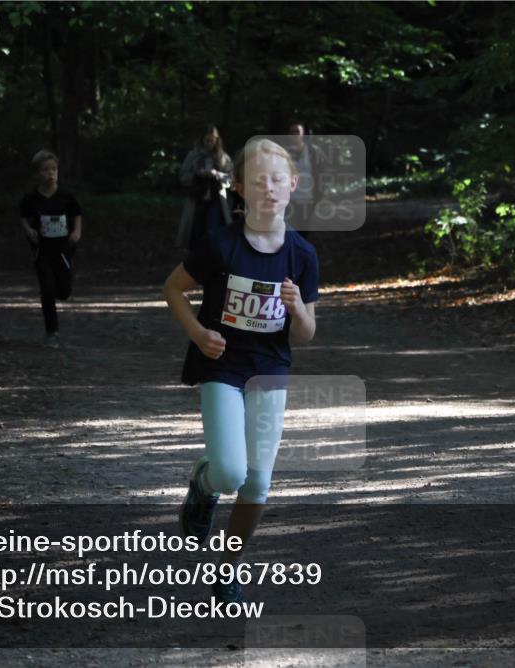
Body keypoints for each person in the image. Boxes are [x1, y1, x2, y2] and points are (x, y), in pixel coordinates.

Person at [163, 139, 319, 603]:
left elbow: (307, 334)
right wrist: (196, 333)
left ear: (292, 186)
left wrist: (297, 311)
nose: (268, 188)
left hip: (270, 368)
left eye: (277, 179)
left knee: (259, 482)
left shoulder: (302, 254)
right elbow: (173, 288)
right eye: (257, 181)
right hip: (222, 366)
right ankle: (203, 483)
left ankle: (227, 571)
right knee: (230, 472)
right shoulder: (219, 245)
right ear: (239, 190)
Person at [19, 150, 83, 348]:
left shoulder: (66, 196)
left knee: (63, 291)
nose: (50, 173)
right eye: (45, 170)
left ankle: (60, 291)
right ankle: (52, 332)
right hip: (42, 249)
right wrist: (29, 230)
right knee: (47, 290)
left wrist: (77, 232)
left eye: (54, 169)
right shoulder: (31, 198)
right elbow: (22, 217)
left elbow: (77, 213)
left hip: (63, 249)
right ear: (37, 173)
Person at [178, 124, 233, 247]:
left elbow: (231, 177)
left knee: (212, 228)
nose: (209, 143)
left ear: (217, 140)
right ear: (202, 139)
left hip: (216, 200)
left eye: (212, 140)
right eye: (207, 139)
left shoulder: (223, 158)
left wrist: (217, 175)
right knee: (195, 229)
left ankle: (210, 255)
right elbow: (183, 175)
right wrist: (197, 175)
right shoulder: (193, 155)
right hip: (197, 199)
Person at [284, 122, 329, 239]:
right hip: (288, 198)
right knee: (288, 229)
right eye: (291, 132)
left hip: (307, 198)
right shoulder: (283, 153)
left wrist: (320, 193)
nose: (294, 134)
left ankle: (302, 253)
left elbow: (323, 173)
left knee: (303, 229)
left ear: (303, 134)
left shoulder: (314, 152)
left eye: (297, 131)